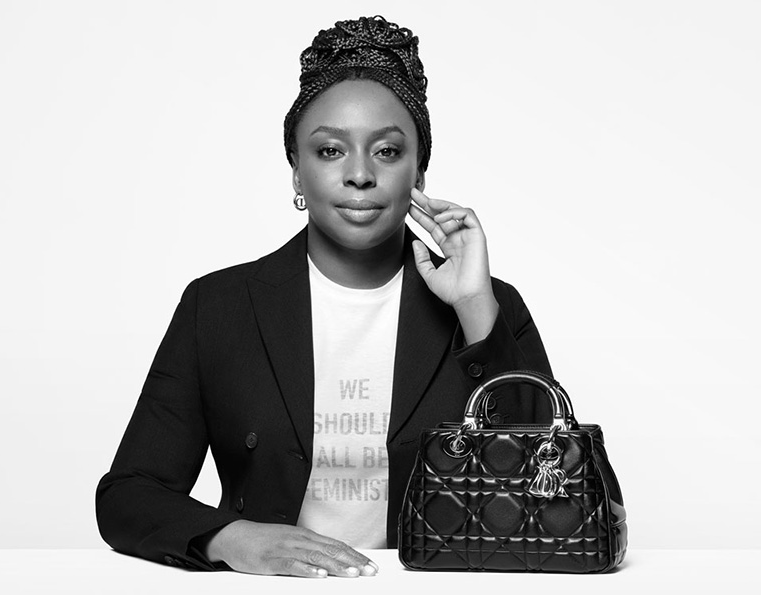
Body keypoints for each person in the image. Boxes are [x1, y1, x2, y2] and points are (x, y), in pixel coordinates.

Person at [95, 15, 552, 579]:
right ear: (296, 171)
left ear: (419, 173)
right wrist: (233, 539)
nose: (359, 174)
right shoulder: (218, 307)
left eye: (388, 151)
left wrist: (475, 308)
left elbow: (552, 493)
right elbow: (128, 494)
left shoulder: (490, 306)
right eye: (331, 150)